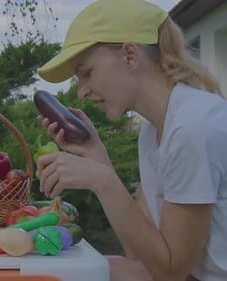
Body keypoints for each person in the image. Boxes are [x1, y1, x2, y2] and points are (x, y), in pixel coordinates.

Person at [35, 0, 227, 280]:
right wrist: (97, 156)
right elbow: (142, 256)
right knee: (80, 271)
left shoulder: (192, 128)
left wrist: (103, 181)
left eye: (86, 73)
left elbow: (171, 272)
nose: (82, 93)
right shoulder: (153, 133)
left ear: (129, 56)